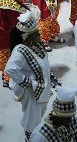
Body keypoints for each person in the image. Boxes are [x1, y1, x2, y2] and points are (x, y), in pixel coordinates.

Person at [5, 9, 54, 140]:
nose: (39, 33)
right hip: (32, 92)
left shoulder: (37, 45)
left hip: (41, 88)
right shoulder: (20, 50)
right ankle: (30, 137)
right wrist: (29, 83)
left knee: (39, 114)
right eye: (36, 32)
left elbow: (44, 65)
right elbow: (10, 69)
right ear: (28, 35)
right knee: (32, 117)